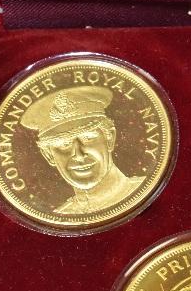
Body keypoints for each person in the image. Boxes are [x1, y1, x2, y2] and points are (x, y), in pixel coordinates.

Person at [19, 86, 144, 214]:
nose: (79, 154)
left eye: (88, 138)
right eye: (64, 144)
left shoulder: (142, 189)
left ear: (110, 138)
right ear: (48, 155)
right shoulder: (63, 215)